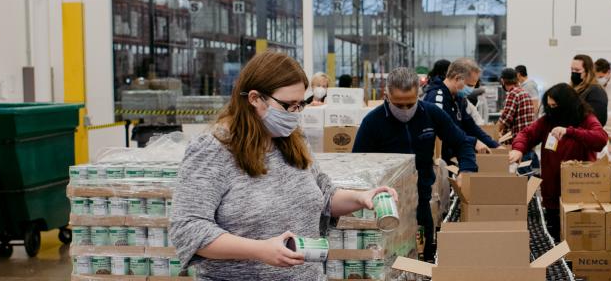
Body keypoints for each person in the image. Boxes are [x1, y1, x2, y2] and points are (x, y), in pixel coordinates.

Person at [170, 52, 398, 280]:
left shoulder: (293, 139)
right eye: (288, 105)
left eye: (300, 105)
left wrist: (362, 198)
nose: (295, 114)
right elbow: (188, 228)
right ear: (254, 98)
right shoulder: (213, 150)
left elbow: (324, 195)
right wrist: (259, 250)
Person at [352, 67, 479, 262]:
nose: (404, 111)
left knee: (423, 253)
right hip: (385, 203)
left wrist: (467, 170)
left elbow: (462, 142)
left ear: (418, 95)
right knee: (388, 257)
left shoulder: (431, 114)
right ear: (387, 96)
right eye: (398, 104)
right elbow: (358, 163)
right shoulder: (372, 122)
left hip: (421, 197)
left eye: (409, 104)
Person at [508, 83, 609, 239]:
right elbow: (527, 134)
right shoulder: (547, 121)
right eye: (549, 106)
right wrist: (518, 148)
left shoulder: (586, 118)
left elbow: (600, 139)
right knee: (554, 236)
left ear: (567, 104)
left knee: (577, 240)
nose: (552, 109)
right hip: (552, 194)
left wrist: (570, 131)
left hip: (580, 194)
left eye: (555, 105)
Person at [423, 58, 498, 154]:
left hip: (456, 155)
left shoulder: (458, 98)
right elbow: (443, 131)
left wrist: (495, 145)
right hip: (441, 158)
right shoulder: (437, 98)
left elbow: (470, 126)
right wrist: (473, 142)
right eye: (469, 85)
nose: (471, 90)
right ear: (457, 78)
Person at [498, 68, 538, 173]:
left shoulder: (513, 94)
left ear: (502, 81)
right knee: (526, 173)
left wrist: (494, 132)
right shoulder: (524, 92)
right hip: (527, 141)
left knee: (521, 175)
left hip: (519, 143)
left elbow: (505, 118)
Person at [571, 54, 609, 127]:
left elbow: (597, 121)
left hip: (585, 136)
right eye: (572, 69)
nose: (573, 72)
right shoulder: (574, 89)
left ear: (588, 71)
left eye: (577, 70)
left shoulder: (596, 91)